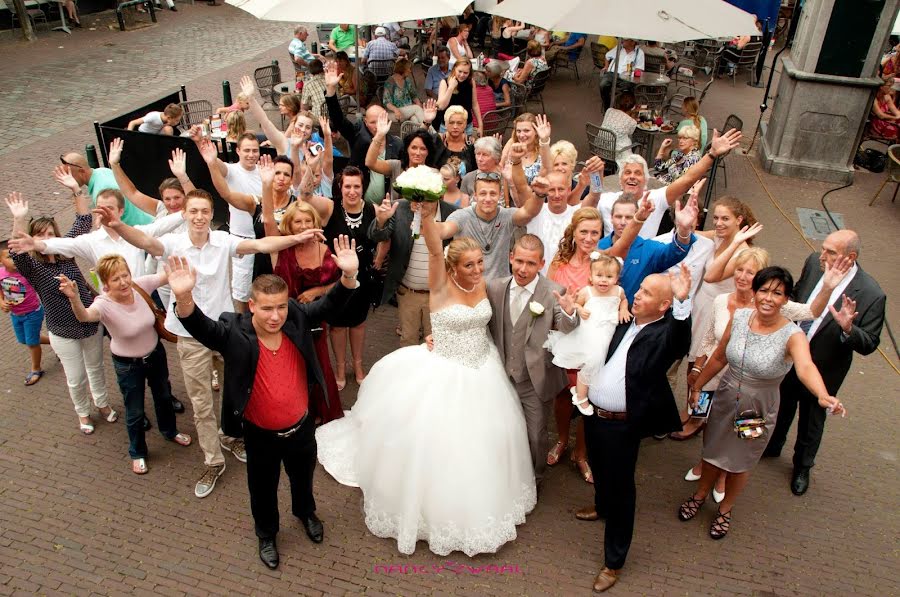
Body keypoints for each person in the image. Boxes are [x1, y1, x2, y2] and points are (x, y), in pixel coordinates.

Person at [316, 199, 537, 557]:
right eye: (470, 265)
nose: (478, 269)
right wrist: (428, 213)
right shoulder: (440, 284)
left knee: (489, 441)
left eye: (480, 262)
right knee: (433, 441)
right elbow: (435, 248)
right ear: (453, 267)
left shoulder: (488, 286)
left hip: (484, 370)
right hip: (444, 371)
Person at [100, 189, 316, 498]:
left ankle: (230, 435)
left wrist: (296, 238)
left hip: (225, 332)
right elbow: (144, 241)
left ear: (210, 214)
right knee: (201, 403)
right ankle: (213, 460)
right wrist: (118, 226)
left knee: (235, 390)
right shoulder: (173, 244)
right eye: (194, 211)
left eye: (205, 211)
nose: (199, 217)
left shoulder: (224, 241)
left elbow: (260, 244)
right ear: (185, 214)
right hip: (190, 336)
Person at [172, 236, 361, 569]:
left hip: (301, 428)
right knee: (262, 489)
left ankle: (306, 514)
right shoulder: (234, 332)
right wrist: (184, 296)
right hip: (260, 435)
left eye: (281, 306)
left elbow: (328, 306)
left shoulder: (297, 318)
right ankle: (267, 534)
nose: (276, 316)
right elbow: (201, 327)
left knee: (303, 480)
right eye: (268, 308)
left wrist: (347, 277)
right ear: (252, 304)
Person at [680, 267, 846, 540]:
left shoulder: (792, 334)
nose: (769, 298)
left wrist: (822, 394)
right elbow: (720, 357)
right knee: (712, 450)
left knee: (741, 459)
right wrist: (697, 386)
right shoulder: (740, 317)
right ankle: (699, 495)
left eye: (777, 293)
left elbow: (805, 367)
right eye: (764, 290)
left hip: (756, 408)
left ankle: (725, 508)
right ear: (755, 293)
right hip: (724, 397)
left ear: (786, 299)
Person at [575, 265, 694, 593]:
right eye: (639, 289)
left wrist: (683, 302)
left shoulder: (664, 334)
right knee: (598, 467)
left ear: (664, 305)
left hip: (622, 426)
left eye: (647, 293)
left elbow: (682, 341)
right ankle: (600, 507)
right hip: (593, 414)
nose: (638, 294)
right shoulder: (622, 318)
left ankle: (614, 562)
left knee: (622, 490)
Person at [765, 230, 886, 495]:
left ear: (850, 257)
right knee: (781, 403)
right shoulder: (813, 263)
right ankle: (772, 445)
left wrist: (848, 329)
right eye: (823, 248)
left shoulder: (871, 293)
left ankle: (802, 467)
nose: (822, 255)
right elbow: (797, 297)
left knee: (812, 419)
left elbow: (870, 343)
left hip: (824, 368)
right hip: (790, 356)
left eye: (831, 252)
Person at [546, 199, 657, 484]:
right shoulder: (558, 263)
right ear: (573, 232)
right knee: (562, 396)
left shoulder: (603, 259)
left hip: (598, 340)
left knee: (590, 398)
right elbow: (547, 297)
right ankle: (561, 439)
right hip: (567, 336)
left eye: (595, 232)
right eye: (583, 232)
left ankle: (581, 453)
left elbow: (629, 235)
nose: (588, 238)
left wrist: (641, 217)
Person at [57, 256, 192, 475]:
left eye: (125, 275)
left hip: (155, 355)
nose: (123, 282)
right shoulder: (104, 303)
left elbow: (165, 276)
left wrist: (188, 258)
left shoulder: (140, 286)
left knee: (164, 396)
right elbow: (85, 316)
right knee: (135, 410)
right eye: (116, 279)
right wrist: (74, 298)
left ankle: (170, 431)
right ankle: (137, 451)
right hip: (128, 365)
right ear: (106, 284)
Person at [6, 191, 114, 435]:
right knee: (76, 377)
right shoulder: (32, 266)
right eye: (40, 235)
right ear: (32, 239)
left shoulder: (66, 252)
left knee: (96, 368)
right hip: (62, 330)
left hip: (88, 323)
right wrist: (20, 219)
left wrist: (77, 190)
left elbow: (83, 220)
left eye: (50, 234)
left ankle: (102, 403)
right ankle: (82, 411)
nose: (46, 238)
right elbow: (15, 251)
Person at [485, 234, 579, 483]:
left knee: (536, 434)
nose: (523, 269)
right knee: (501, 430)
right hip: (502, 375)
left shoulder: (554, 292)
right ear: (510, 258)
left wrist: (570, 313)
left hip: (534, 379)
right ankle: (505, 473)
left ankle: (535, 479)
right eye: (519, 262)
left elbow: (565, 326)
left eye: (531, 263)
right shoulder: (495, 287)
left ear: (541, 263)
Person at [675, 197, 760, 439]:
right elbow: (694, 232)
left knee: (703, 368)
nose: (719, 223)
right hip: (701, 304)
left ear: (739, 220)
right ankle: (691, 408)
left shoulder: (743, 252)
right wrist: (690, 209)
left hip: (718, 311)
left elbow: (712, 275)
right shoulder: (719, 234)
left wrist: (734, 243)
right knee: (692, 365)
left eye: (725, 218)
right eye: (716, 217)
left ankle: (698, 418)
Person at [299, 166, 378, 389]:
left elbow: (381, 237)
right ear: (340, 187)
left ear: (363, 188)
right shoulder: (331, 207)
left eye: (357, 186)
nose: (352, 191)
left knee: (359, 324)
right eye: (347, 186)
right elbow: (304, 196)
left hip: (362, 278)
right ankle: (341, 368)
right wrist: (312, 167)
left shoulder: (371, 209)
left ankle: (359, 366)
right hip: (336, 279)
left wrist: (379, 260)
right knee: (337, 326)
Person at [596, 128, 743, 239]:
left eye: (638, 173)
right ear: (620, 180)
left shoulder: (656, 198)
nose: (632, 177)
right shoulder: (606, 199)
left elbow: (687, 179)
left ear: (646, 181)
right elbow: (589, 199)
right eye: (627, 173)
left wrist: (711, 154)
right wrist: (594, 175)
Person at [437, 144, 543, 280]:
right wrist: (427, 222)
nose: (488, 199)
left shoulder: (507, 216)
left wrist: (539, 195)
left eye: (493, 194)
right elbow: (444, 230)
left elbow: (529, 212)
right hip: (468, 287)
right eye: (483, 193)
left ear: (499, 195)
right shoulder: (461, 216)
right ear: (475, 196)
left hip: (499, 289)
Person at [545, 253, 631, 416]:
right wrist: (580, 308)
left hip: (607, 334)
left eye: (609, 276)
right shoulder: (587, 292)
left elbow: (624, 300)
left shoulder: (618, 291)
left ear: (616, 278)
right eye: (599, 275)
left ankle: (582, 390)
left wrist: (623, 309)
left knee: (599, 364)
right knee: (592, 361)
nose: (604, 280)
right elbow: (575, 303)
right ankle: (581, 396)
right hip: (590, 332)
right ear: (591, 276)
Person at [323, 62, 405, 203]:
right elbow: (338, 120)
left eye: (380, 121)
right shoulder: (358, 135)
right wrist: (331, 90)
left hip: (386, 205)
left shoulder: (396, 143)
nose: (377, 126)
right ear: (366, 122)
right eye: (372, 122)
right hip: (359, 202)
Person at [597, 191, 700, 303]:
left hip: (632, 316)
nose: (622, 222)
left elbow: (676, 250)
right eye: (618, 216)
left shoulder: (648, 249)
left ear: (637, 217)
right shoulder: (598, 246)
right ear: (611, 218)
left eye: (628, 217)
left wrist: (684, 229)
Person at [526, 156, 604, 274]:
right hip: (537, 282)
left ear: (568, 190)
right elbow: (520, 191)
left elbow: (595, 196)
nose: (557, 195)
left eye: (561, 189)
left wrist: (596, 174)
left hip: (567, 282)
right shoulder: (535, 212)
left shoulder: (577, 214)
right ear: (546, 190)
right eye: (552, 190)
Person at [58, 151, 153, 226]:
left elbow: (112, 224)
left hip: (142, 230)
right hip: (149, 220)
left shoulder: (101, 192)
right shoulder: (102, 171)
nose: (66, 178)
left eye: (68, 174)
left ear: (82, 171)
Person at [0, 242, 49, 386]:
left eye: (17, 256)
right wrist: (1, 302)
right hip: (16, 314)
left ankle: (36, 369)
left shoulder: (26, 272)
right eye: (9, 257)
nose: (14, 260)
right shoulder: (1, 273)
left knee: (32, 343)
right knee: (24, 340)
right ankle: (56, 342)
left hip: (32, 312)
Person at [501, 113, 551, 186]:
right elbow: (502, 171)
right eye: (518, 131)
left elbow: (549, 170)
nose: (521, 135)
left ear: (536, 132)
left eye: (526, 131)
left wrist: (544, 140)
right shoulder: (512, 144)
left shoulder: (543, 148)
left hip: (538, 194)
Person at [436, 58, 481, 137]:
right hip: (448, 126)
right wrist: (450, 88)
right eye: (460, 71)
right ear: (454, 69)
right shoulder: (445, 82)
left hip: (466, 125)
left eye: (465, 73)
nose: (462, 75)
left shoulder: (471, 82)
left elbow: (475, 104)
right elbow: (441, 106)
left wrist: (480, 125)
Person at [599, 39, 645, 109]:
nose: (622, 41)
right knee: (603, 85)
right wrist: (606, 66)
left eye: (625, 40)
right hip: (612, 73)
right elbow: (607, 56)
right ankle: (607, 106)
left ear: (632, 42)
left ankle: (621, 108)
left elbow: (639, 69)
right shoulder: (619, 48)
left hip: (627, 77)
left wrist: (632, 72)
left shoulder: (639, 53)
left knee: (626, 89)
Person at [599, 92, 639, 172]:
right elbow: (630, 133)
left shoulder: (609, 111)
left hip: (600, 146)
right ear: (633, 107)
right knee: (629, 141)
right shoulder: (631, 121)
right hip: (615, 151)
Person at [432, 106, 476, 174]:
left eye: (459, 123)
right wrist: (426, 122)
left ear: (465, 124)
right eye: (451, 122)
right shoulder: (436, 140)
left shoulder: (471, 144)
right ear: (445, 124)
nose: (455, 127)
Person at [382, 58, 425, 124]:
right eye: (409, 69)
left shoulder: (406, 80)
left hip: (408, 110)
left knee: (415, 119)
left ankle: (419, 134)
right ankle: (432, 132)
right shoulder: (390, 82)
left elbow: (414, 96)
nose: (410, 71)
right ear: (402, 69)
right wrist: (396, 110)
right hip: (394, 112)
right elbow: (386, 102)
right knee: (417, 108)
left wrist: (418, 103)